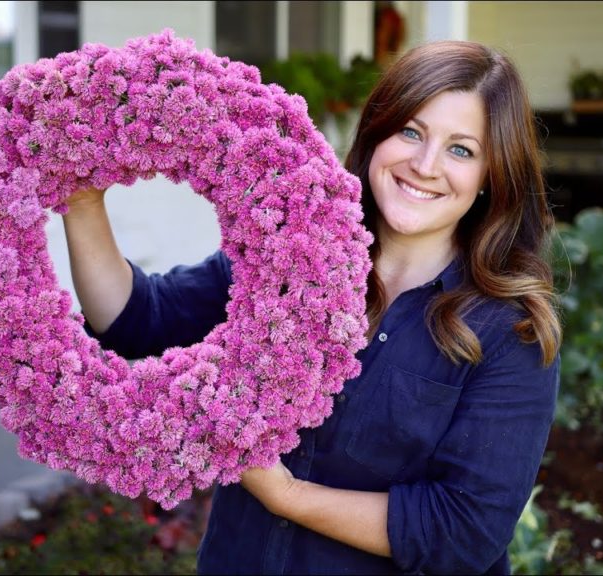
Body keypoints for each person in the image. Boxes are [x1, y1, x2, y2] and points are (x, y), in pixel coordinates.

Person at [62, 40, 561, 575]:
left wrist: (286, 494)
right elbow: (138, 319)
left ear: (491, 175)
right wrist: (82, 199)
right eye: (410, 132)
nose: (425, 165)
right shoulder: (290, 247)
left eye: (461, 150)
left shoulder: (510, 328)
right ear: (375, 134)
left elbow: (462, 531)